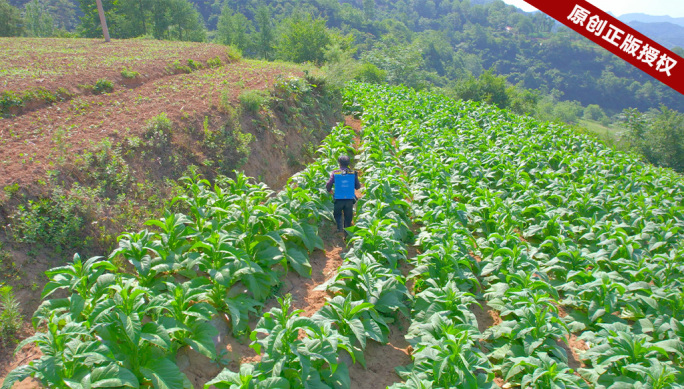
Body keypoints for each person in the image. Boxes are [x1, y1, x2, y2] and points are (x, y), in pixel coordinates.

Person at [326, 155, 361, 237]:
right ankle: (346, 234)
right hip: (349, 199)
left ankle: (339, 228)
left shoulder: (335, 173)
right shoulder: (353, 173)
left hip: (338, 198)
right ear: (348, 163)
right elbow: (358, 186)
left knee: (337, 214)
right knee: (348, 217)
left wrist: (329, 190)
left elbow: (328, 184)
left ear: (339, 163)